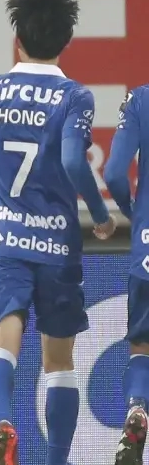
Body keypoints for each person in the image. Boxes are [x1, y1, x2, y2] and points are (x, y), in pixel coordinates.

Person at [0, 0, 115, 465]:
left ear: (16, 39)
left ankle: (2, 424)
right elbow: (75, 163)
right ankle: (57, 459)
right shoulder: (75, 97)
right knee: (59, 363)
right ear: (67, 40)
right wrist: (100, 214)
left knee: (1, 345)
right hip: (57, 246)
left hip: (5, 240)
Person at [105, 83, 149, 465]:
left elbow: (115, 172)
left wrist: (133, 213)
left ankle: (138, 407)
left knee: (143, 346)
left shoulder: (142, 99)